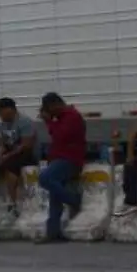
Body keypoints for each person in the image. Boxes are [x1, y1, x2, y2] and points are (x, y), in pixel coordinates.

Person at [36, 93, 87, 243]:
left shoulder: (72, 116)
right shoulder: (62, 118)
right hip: (60, 159)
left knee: (45, 178)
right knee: (55, 195)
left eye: (48, 109)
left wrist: (48, 122)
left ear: (54, 105)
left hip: (70, 160)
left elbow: (60, 136)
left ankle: (73, 200)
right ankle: (54, 232)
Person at [0, 97, 38, 209]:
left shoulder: (25, 122)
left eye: (0, 112)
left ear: (9, 110)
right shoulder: (4, 123)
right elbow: (2, 142)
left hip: (24, 153)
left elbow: (26, 145)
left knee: (10, 168)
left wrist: (7, 156)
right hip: (9, 152)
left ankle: (13, 203)